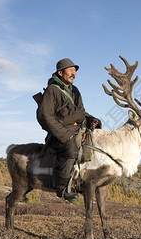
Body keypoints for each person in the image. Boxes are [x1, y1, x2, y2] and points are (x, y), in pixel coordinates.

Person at [37, 58, 101, 202]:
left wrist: (91, 119)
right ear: (60, 72)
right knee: (71, 146)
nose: (74, 73)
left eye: (75, 71)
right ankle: (62, 188)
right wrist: (64, 135)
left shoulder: (75, 91)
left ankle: (84, 182)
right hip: (60, 133)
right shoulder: (52, 90)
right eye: (70, 70)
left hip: (77, 129)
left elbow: (81, 112)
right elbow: (44, 116)